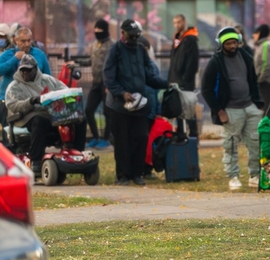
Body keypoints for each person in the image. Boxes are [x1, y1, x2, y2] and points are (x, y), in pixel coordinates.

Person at [104, 19, 168, 185]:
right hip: (119, 106)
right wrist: (122, 93)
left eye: (137, 36)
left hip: (139, 104)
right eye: (131, 36)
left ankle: (137, 174)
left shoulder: (140, 50)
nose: (134, 40)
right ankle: (123, 175)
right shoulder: (115, 50)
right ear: (123, 34)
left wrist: (166, 84)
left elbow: (149, 76)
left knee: (141, 137)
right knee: (122, 141)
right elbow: (108, 78)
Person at [200, 26, 262, 191]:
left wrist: (258, 104)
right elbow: (206, 89)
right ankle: (233, 177)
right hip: (230, 110)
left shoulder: (246, 57)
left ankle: (254, 175)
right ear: (221, 44)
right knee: (231, 145)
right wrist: (219, 111)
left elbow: (253, 82)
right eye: (228, 44)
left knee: (255, 143)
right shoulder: (215, 62)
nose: (232, 46)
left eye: (235, 42)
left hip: (250, 107)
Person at [5, 56, 86, 176]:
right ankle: (36, 160)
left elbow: (65, 91)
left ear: (35, 69)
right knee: (40, 121)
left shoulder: (48, 80)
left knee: (80, 119)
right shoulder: (14, 86)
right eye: (23, 70)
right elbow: (13, 105)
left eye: (28, 70)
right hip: (26, 115)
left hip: (52, 114)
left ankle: (77, 153)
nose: (25, 73)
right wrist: (31, 101)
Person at [0, 26, 52, 146]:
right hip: (10, 103)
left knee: (33, 137)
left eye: (29, 40)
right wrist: (14, 59)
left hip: (32, 103)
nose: (27, 44)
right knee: (11, 141)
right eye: (23, 41)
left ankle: (32, 160)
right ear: (15, 40)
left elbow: (48, 76)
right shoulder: (8, 54)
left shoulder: (39, 54)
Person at [168, 14, 201, 139]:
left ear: (185, 22)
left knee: (189, 110)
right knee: (178, 110)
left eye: (179, 22)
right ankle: (180, 134)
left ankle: (193, 135)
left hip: (185, 83)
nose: (177, 25)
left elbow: (192, 63)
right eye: (175, 23)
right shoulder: (177, 40)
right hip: (175, 81)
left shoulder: (190, 39)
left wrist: (185, 79)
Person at [85, 20, 112, 149]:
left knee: (108, 112)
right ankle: (95, 137)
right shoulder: (94, 44)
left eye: (100, 31)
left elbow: (113, 65)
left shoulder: (112, 46)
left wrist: (110, 84)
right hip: (95, 82)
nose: (97, 33)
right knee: (89, 109)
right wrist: (76, 63)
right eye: (95, 31)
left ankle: (106, 138)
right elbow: (91, 61)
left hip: (106, 84)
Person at [253, 24, 270, 105]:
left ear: (260, 33)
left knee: (265, 105)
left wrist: (259, 79)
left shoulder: (265, 46)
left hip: (265, 81)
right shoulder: (261, 45)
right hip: (262, 80)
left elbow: (267, 65)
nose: (253, 35)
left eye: (255, 33)